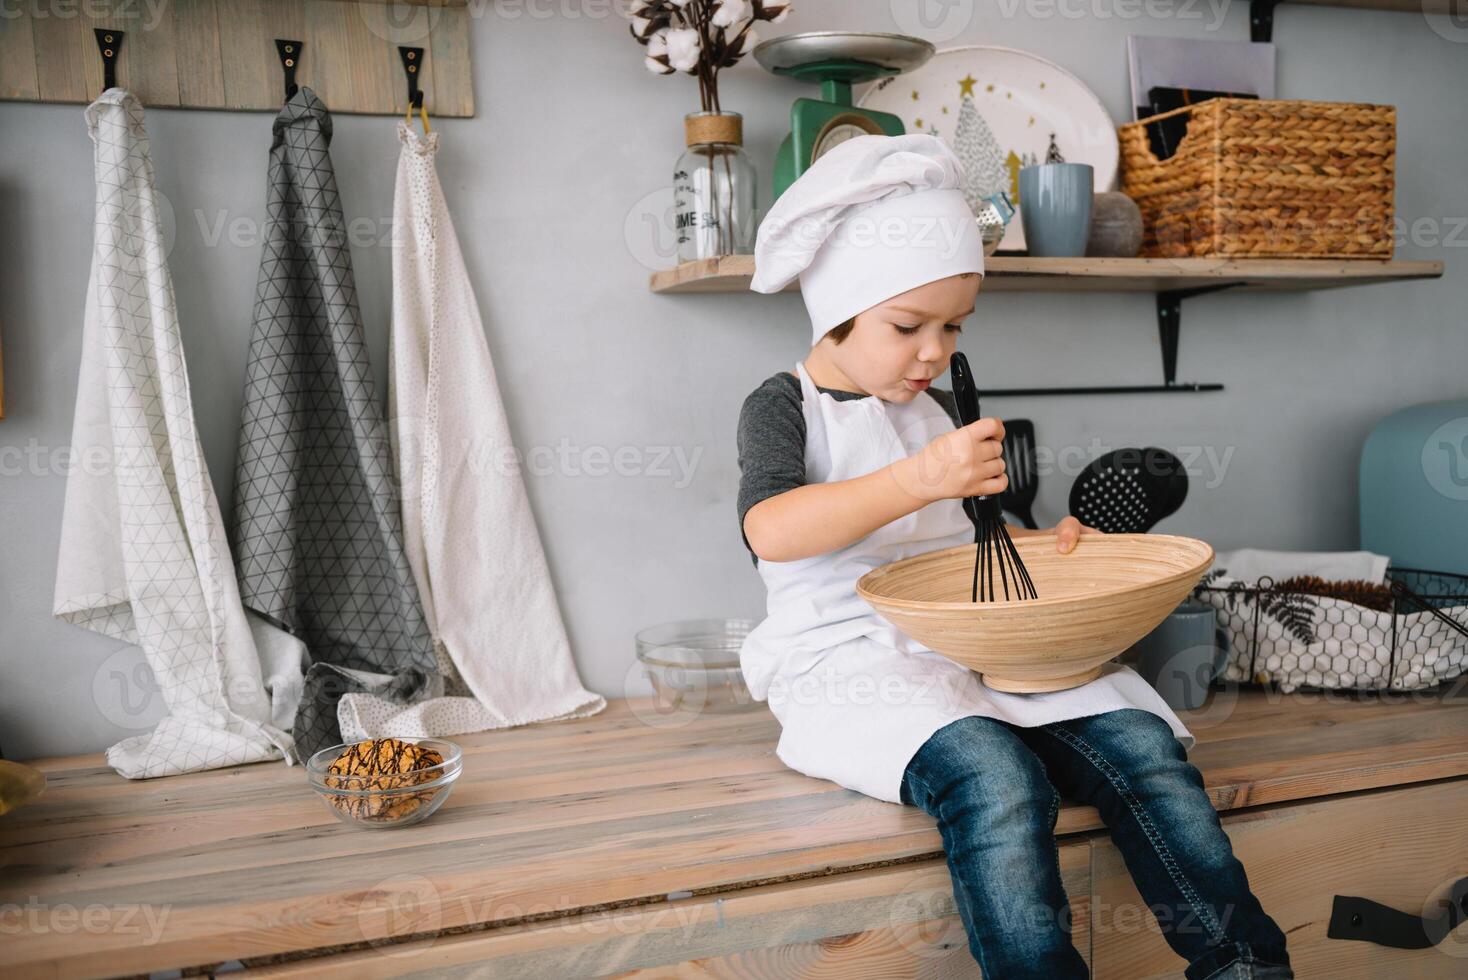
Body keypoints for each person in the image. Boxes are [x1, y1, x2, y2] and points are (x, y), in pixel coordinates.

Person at [735, 133, 1292, 979]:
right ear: (836, 308)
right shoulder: (783, 406)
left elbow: (965, 543)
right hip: (847, 659)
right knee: (1000, 782)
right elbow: (772, 530)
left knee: (1144, 746)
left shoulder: (930, 402)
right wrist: (920, 477)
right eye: (908, 325)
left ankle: (1244, 965)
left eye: (954, 325)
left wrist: (1050, 547)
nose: (937, 351)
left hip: (976, 641)